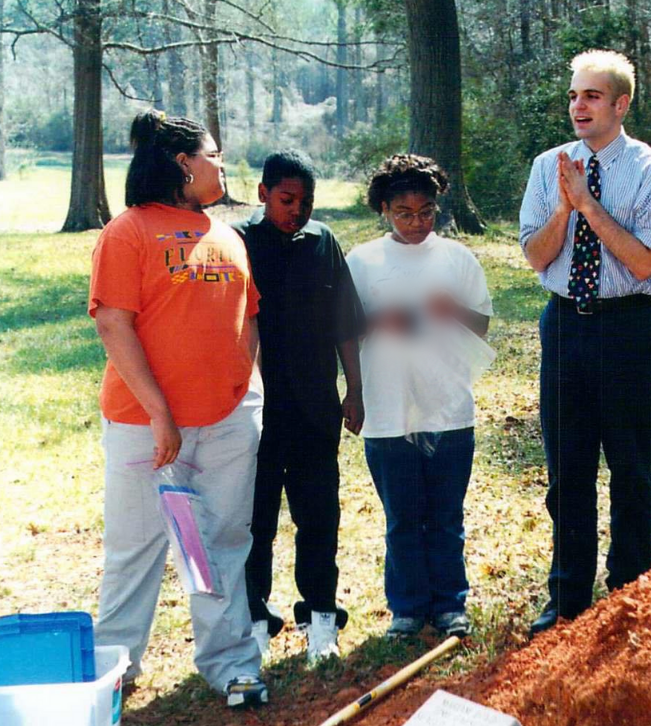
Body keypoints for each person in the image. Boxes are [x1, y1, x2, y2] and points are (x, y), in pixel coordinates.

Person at [89, 110, 267, 707]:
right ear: (182, 162)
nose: (220, 163)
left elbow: (248, 318)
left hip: (225, 425)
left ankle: (231, 663)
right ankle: (113, 672)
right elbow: (114, 323)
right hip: (147, 429)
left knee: (217, 542)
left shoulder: (228, 234)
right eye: (212, 154)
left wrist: (247, 392)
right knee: (136, 548)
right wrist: (162, 413)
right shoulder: (128, 231)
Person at [519, 50, 651, 636]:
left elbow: (642, 263)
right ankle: (567, 599)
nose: (578, 106)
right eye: (572, 95)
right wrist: (565, 208)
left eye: (591, 95)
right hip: (564, 324)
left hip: (627, 327)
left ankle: (631, 591)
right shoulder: (548, 168)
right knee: (568, 470)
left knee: (631, 468)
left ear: (620, 103)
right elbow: (536, 255)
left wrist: (589, 203)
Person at [345, 154, 494, 639]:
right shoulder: (362, 260)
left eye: (426, 211)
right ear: (384, 209)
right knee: (403, 517)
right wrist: (378, 322)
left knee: (446, 515)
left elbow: (483, 325)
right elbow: (344, 331)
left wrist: (453, 309)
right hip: (388, 407)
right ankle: (407, 607)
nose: (417, 223)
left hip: (447, 405)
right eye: (405, 213)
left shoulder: (457, 258)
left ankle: (450, 604)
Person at [233, 150, 365, 664]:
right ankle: (254, 618)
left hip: (315, 406)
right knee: (256, 519)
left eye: (307, 202)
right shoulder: (239, 242)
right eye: (287, 200)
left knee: (318, 515)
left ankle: (321, 616)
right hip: (257, 409)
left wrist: (354, 389)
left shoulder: (323, 242)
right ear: (263, 193)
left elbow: (346, 324)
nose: (298, 211)